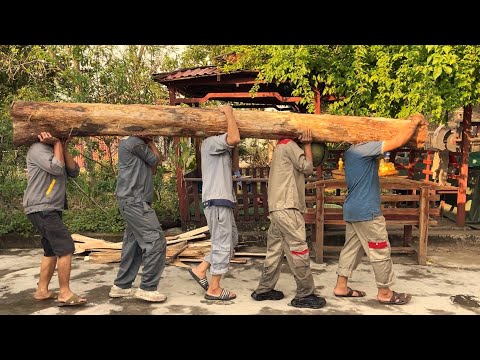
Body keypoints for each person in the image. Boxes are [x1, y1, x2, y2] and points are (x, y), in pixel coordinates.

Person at [333, 116, 424, 305]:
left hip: (353, 209)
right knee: (380, 250)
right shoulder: (363, 149)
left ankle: (341, 286)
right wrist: (414, 122)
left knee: (351, 249)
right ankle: (385, 292)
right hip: (367, 211)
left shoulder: (350, 152)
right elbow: (397, 141)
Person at [251, 128, 327, 309]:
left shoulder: (279, 147)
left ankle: (264, 289)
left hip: (277, 208)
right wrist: (308, 144)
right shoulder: (290, 145)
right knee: (299, 249)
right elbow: (308, 167)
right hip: (287, 207)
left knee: (275, 250)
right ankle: (305, 294)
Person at [23, 132, 87, 306]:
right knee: (66, 247)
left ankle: (42, 290)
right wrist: (57, 143)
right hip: (42, 207)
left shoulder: (55, 148)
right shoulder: (37, 149)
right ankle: (64, 293)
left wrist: (62, 146)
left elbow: (73, 171)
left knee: (51, 250)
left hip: (49, 207)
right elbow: (57, 168)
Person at [187, 104, 240, 301]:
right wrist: (228, 112)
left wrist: (234, 145)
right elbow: (234, 137)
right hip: (217, 201)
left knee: (231, 240)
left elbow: (234, 161)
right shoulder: (210, 142)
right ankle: (214, 288)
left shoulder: (220, 146)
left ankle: (201, 270)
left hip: (223, 201)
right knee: (222, 244)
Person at [109, 135, 167, 302]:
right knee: (156, 241)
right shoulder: (134, 142)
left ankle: (121, 286)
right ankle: (147, 288)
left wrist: (149, 143)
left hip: (134, 201)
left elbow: (155, 165)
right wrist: (150, 142)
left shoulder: (136, 144)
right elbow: (155, 160)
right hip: (135, 202)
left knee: (133, 245)